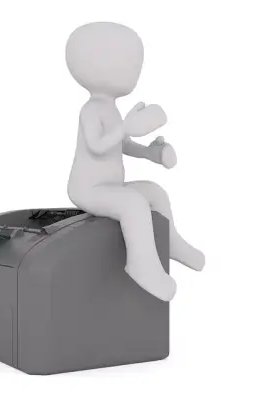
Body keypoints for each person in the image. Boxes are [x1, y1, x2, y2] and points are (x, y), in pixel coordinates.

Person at [66, 22, 205, 302]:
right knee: (132, 204)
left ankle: (171, 242)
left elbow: (122, 144)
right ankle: (141, 265)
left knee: (154, 192)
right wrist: (126, 126)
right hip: (88, 190)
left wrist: (150, 153)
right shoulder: (91, 110)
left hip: (110, 186)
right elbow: (96, 145)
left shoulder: (112, 110)